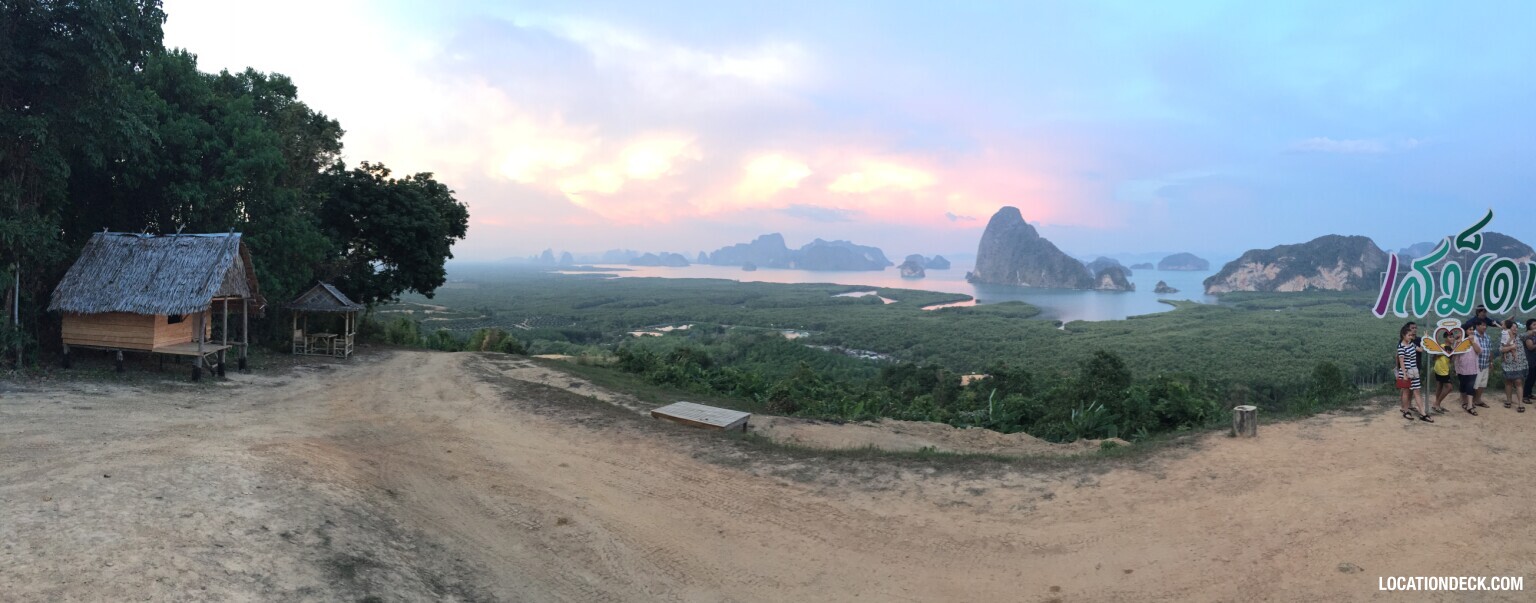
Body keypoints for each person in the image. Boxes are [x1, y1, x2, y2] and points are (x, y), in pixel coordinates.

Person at [1397, 322, 1431, 421]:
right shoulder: (1401, 347)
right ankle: (1405, 410)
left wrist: (1425, 340)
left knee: (1417, 391)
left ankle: (1422, 413)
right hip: (1406, 372)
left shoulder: (1412, 344)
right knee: (1406, 392)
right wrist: (1404, 374)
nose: (1411, 337)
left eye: (1412, 335)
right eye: (1409, 335)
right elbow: (1401, 361)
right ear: (1403, 335)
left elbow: (1421, 350)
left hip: (1414, 371)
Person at [1501, 319, 1528, 412]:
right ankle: (1509, 400)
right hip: (1508, 363)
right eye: (1513, 327)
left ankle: (1520, 403)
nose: (1515, 329)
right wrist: (1511, 347)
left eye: (1516, 327)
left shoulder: (1520, 337)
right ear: (1509, 328)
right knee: (1508, 382)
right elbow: (1501, 349)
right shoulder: (1504, 336)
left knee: (1518, 382)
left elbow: (1529, 333)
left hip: (1519, 364)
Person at [1430, 329, 1458, 414]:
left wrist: (1455, 353)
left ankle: (1436, 404)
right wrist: (1442, 353)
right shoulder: (1441, 346)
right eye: (1450, 337)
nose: (1452, 338)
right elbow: (1433, 357)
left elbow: (1452, 361)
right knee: (1449, 387)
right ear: (1445, 338)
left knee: (1440, 386)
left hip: (1445, 368)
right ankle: (1437, 403)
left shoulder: (1452, 348)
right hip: (1440, 369)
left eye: (1453, 337)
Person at [1458, 325, 1483, 415]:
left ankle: (1470, 405)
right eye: (1470, 329)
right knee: (1463, 385)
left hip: (1472, 367)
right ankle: (1465, 402)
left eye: (1473, 329)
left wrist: (1472, 342)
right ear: (1465, 330)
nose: (1472, 331)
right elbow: (1456, 352)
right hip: (1461, 367)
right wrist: (1458, 342)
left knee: (1470, 385)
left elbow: (1479, 351)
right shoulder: (1460, 340)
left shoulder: (1475, 339)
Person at [1473, 320, 1493, 409]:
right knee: (1474, 384)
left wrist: (1491, 362)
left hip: (1485, 364)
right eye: (1482, 325)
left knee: (1482, 384)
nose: (1484, 327)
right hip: (1476, 364)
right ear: (1477, 326)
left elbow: (1490, 350)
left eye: (1485, 326)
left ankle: (1478, 400)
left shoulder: (1487, 337)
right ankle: (1471, 401)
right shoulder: (1472, 336)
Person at [1524, 318, 1536, 403]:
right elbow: (1530, 347)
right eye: (1534, 324)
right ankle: (1525, 396)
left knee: (1533, 378)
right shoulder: (1528, 336)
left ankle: (1529, 393)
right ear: (1529, 327)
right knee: (1530, 378)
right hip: (1530, 359)